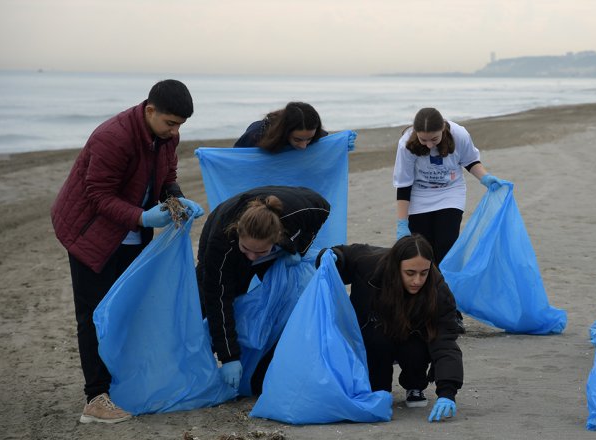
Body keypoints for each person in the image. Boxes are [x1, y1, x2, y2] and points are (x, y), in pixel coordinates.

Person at [51, 79, 203, 424]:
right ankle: (95, 398)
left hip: (131, 235)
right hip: (89, 233)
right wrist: (141, 216)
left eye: (180, 125)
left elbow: (167, 176)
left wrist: (175, 198)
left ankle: (119, 383)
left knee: (126, 310)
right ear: (150, 110)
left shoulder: (167, 135)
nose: (175, 131)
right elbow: (97, 195)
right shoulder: (113, 136)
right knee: (94, 316)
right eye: (170, 123)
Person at [196, 185, 330, 395]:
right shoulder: (220, 247)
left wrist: (297, 247)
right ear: (239, 233)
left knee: (265, 297)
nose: (251, 256)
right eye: (246, 249)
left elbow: (324, 208)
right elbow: (219, 301)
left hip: (282, 227)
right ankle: (204, 362)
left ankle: (256, 356)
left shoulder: (300, 212)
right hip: (219, 232)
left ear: (277, 238)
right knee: (209, 302)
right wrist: (229, 357)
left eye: (260, 252)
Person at [318, 235, 464, 422]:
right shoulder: (370, 263)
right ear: (396, 267)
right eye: (410, 273)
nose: (417, 281)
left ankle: (415, 384)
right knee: (377, 344)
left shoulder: (438, 290)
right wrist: (331, 257)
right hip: (377, 334)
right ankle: (379, 387)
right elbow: (344, 255)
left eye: (424, 273)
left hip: (413, 338)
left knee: (417, 349)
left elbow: (445, 343)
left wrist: (447, 393)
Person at [393, 107, 503, 264]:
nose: (429, 145)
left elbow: (470, 161)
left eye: (434, 139)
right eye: (423, 140)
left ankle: (443, 285)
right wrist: (402, 223)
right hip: (419, 194)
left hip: (450, 192)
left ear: (443, 129)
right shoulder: (406, 144)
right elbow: (404, 185)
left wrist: (485, 178)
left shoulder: (459, 134)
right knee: (423, 249)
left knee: (446, 246)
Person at [234, 101, 327, 151]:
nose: (303, 146)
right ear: (284, 131)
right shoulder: (255, 134)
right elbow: (237, 159)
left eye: (309, 139)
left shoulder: (319, 136)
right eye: (297, 140)